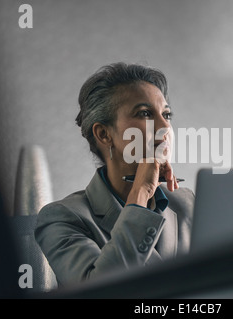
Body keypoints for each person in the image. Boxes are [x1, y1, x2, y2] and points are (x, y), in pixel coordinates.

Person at [34, 62, 194, 287]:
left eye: (166, 114)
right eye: (145, 113)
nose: (164, 127)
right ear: (104, 134)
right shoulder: (62, 218)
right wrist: (139, 194)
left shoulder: (188, 203)